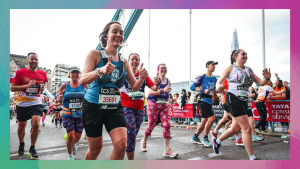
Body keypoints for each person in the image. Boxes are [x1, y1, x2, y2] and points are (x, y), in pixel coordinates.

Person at [80, 21, 148, 160]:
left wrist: (141, 77)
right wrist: (100, 71)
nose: (119, 35)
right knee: (95, 149)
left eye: (121, 33)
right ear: (106, 36)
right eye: (115, 31)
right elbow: (83, 79)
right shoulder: (95, 54)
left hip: (114, 107)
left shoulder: (123, 61)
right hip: (93, 107)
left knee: (121, 144)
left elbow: (134, 86)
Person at [213, 49, 271, 160]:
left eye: (246, 54)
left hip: (244, 100)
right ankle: (252, 157)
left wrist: (267, 78)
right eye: (243, 54)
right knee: (247, 128)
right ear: (236, 57)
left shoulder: (249, 70)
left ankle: (218, 141)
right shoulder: (230, 68)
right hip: (232, 97)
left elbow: (261, 82)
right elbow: (218, 82)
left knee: (235, 129)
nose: (245, 56)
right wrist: (218, 87)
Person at [120, 53, 160, 160]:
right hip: (126, 106)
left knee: (132, 135)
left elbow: (154, 88)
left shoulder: (143, 74)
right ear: (128, 61)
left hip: (139, 109)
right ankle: (130, 160)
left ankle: (127, 147)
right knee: (131, 130)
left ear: (139, 62)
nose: (134, 61)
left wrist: (158, 82)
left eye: (136, 59)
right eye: (132, 59)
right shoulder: (124, 73)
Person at [10, 52, 48, 159]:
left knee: (36, 124)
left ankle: (32, 147)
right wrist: (27, 85)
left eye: (36, 59)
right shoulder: (19, 72)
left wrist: (43, 88)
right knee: (22, 126)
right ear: (27, 60)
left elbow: (45, 82)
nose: (34, 61)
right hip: (22, 102)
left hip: (36, 102)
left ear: (38, 61)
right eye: (32, 59)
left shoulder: (42, 73)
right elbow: (12, 88)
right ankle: (21, 144)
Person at [142, 63, 178, 158]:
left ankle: (167, 150)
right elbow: (150, 92)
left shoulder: (168, 80)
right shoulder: (155, 80)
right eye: (161, 68)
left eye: (165, 68)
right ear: (158, 70)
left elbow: (168, 91)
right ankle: (144, 141)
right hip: (153, 104)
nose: (163, 70)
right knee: (151, 125)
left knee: (167, 125)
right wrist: (162, 91)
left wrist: (169, 100)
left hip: (164, 105)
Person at [58, 66, 87, 160]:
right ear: (69, 74)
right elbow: (59, 95)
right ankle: (70, 156)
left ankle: (73, 144)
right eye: (72, 72)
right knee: (70, 134)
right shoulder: (64, 85)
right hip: (67, 113)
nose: (75, 74)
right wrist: (60, 97)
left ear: (80, 74)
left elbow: (89, 96)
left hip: (80, 114)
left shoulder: (84, 84)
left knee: (77, 136)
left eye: (77, 72)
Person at [190, 61, 218, 147]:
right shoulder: (203, 77)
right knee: (212, 118)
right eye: (212, 65)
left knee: (204, 121)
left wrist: (215, 92)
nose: (214, 66)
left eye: (215, 65)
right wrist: (202, 90)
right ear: (207, 66)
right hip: (202, 100)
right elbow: (192, 87)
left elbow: (213, 90)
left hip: (209, 101)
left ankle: (195, 137)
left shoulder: (214, 78)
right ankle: (205, 138)